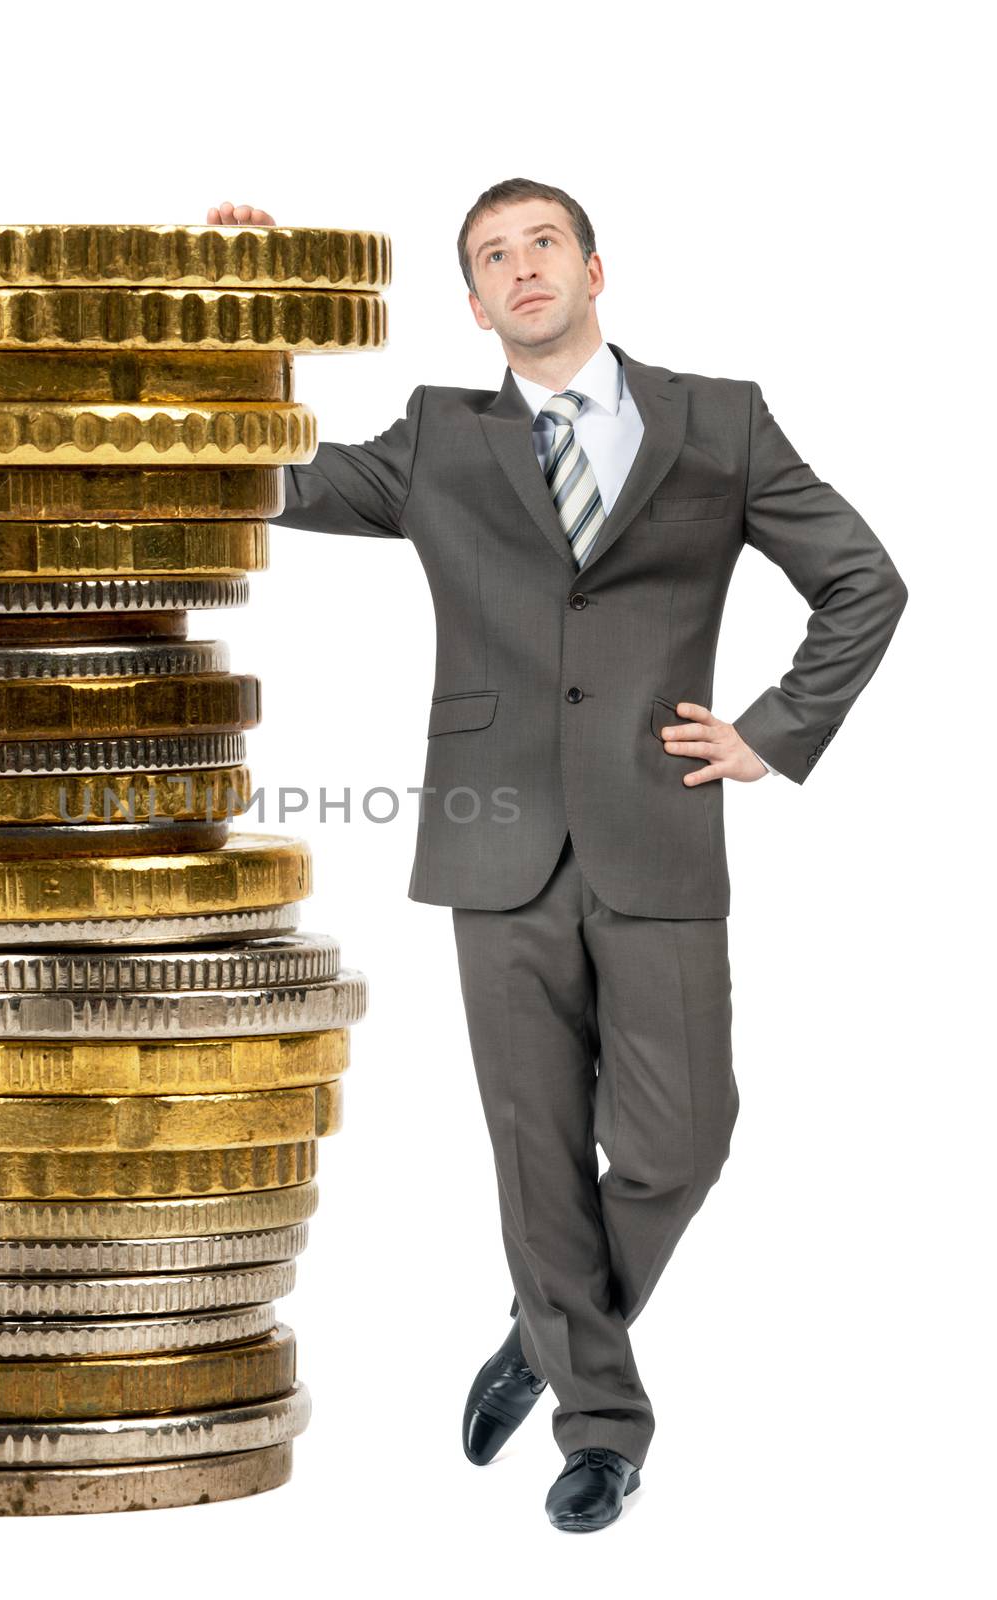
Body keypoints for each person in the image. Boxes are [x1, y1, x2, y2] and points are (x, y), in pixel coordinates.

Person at [204, 185, 907, 1531]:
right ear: (473, 305)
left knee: (682, 1143)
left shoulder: (721, 421)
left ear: (592, 268)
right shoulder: (436, 441)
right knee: (533, 1149)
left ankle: (543, 1333)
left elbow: (862, 581)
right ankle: (601, 1426)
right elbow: (261, 474)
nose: (519, 270)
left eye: (541, 245)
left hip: (658, 824)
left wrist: (772, 731)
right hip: (493, 836)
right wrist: (250, 305)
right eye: (489, 258)